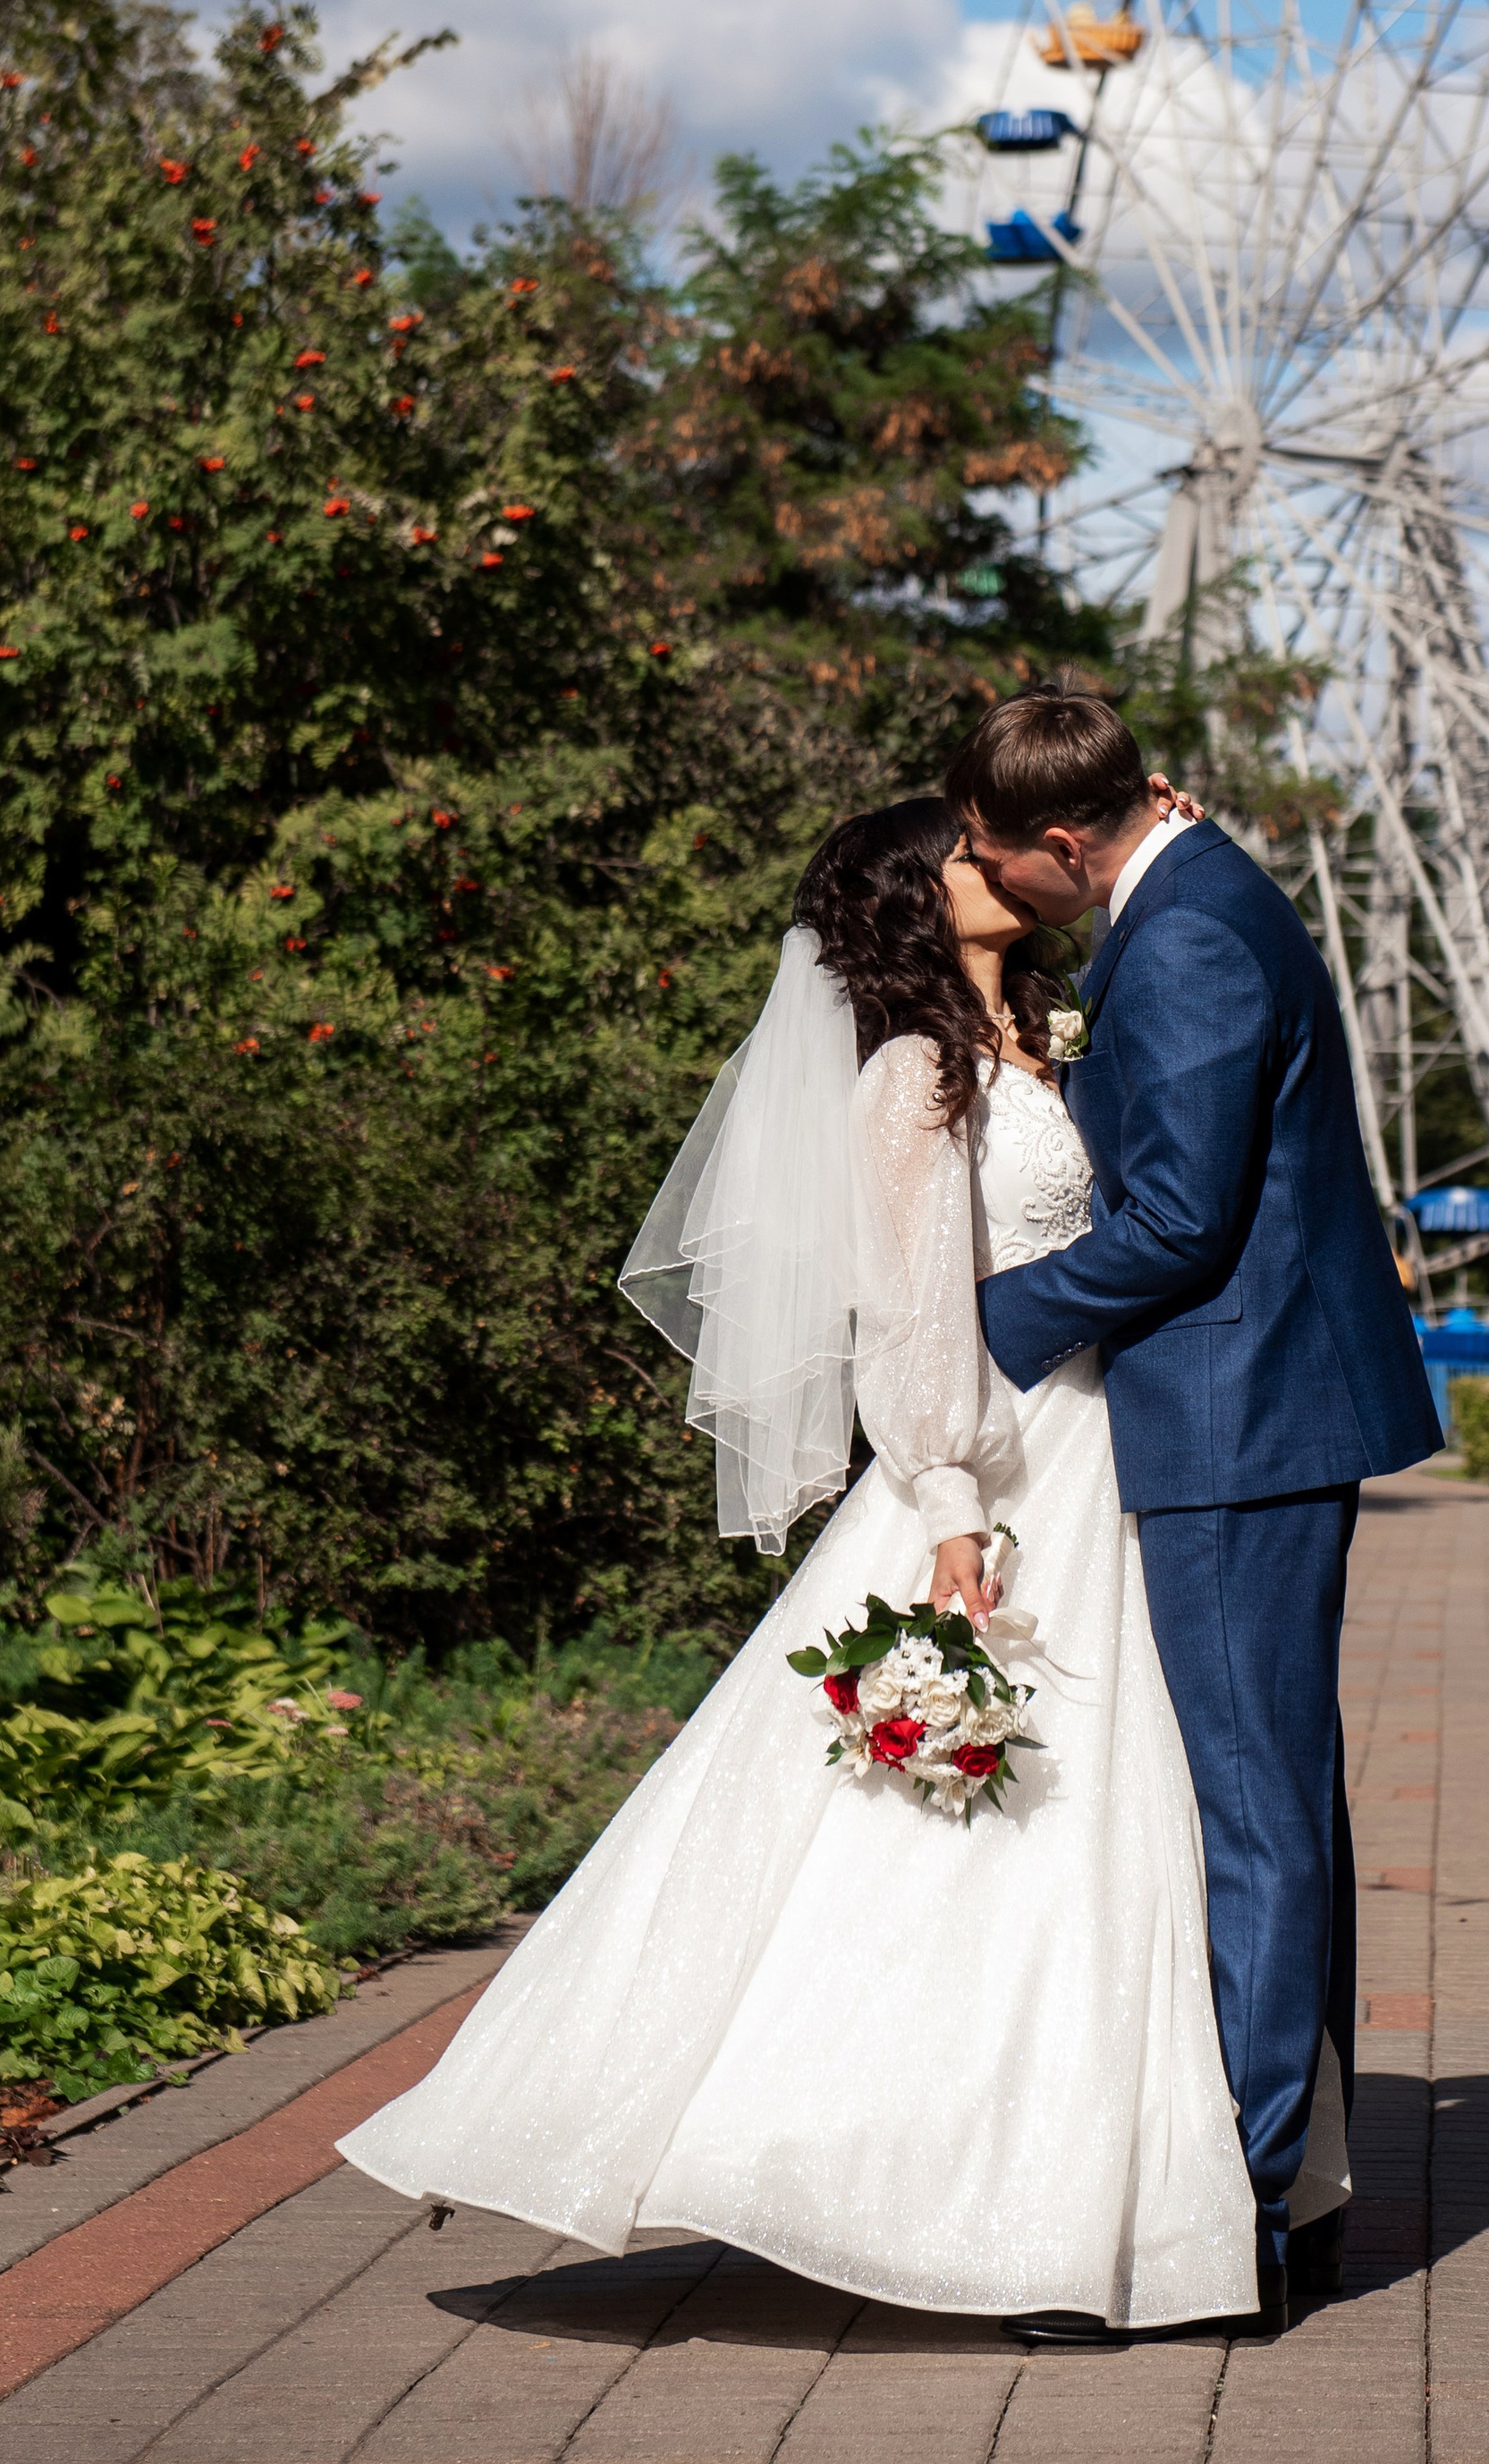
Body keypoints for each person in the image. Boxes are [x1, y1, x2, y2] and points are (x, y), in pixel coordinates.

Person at [337, 793, 1346, 2333]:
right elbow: (911, 1307)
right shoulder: (907, 1078)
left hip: (1113, 1451)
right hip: (999, 1467)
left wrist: (1166, 829)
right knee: (991, 1830)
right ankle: (960, 2183)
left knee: (1131, 1823)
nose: (995, 855)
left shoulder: (1058, 1036)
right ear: (920, 898)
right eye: (964, 846)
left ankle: (1138, 2182)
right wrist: (946, 1497)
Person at [949, 689, 1443, 2341]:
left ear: (1072, 842)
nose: (1000, 888)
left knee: (1254, 1812)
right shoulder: (1191, 902)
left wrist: (993, 1331)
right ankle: (1299, 2197)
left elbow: (1174, 1222)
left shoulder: (1194, 942)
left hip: (1243, 1419)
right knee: (1280, 1797)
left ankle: (1227, 2214)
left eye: (1007, 864)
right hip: (1251, 1410)